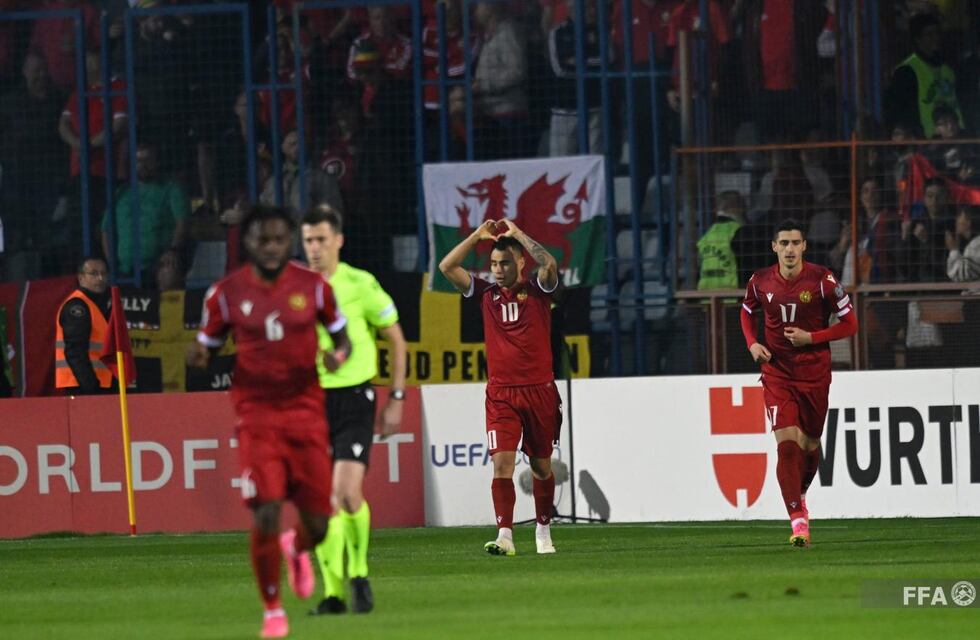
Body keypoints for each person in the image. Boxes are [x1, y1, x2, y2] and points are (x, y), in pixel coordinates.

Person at [186, 204, 351, 639]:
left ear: (289, 241)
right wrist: (198, 355)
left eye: (280, 239)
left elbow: (342, 337)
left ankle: (296, 547)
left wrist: (339, 355)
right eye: (263, 240)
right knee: (266, 510)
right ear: (248, 242)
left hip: (307, 414)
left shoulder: (314, 288)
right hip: (256, 415)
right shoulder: (225, 293)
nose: (272, 247)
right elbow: (206, 346)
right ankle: (273, 610)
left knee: (319, 524)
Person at [300, 205, 408, 615]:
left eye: (321, 240)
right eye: (308, 240)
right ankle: (332, 595)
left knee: (345, 494)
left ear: (339, 241)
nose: (314, 248)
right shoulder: (295, 289)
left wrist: (396, 398)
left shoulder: (360, 284)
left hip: (354, 400)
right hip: (310, 403)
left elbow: (396, 340)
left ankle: (359, 575)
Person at [439, 218, 562, 556]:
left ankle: (543, 530)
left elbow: (549, 264)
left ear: (521, 262)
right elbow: (446, 266)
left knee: (541, 467)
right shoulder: (484, 294)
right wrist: (476, 236)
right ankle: (505, 535)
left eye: (505, 263)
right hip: (501, 395)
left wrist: (518, 233)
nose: (498, 270)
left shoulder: (537, 290)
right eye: (493, 264)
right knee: (501, 464)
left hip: (539, 391)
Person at [740, 219, 858, 547]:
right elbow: (746, 311)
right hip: (777, 373)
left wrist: (812, 338)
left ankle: (800, 493)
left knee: (809, 445)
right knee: (787, 446)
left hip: (814, 374)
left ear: (804, 246)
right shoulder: (760, 281)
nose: (790, 249)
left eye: (795, 243)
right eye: (784, 243)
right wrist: (752, 343)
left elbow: (850, 324)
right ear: (774, 247)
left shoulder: (823, 280)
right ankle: (798, 520)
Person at [101, 143, 190, 284]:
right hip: (124, 267)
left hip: (159, 263)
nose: (142, 165)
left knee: (170, 274)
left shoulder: (171, 188)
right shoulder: (121, 193)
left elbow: (182, 223)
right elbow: (106, 230)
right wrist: (111, 263)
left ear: (156, 161)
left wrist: (173, 249)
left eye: (148, 160)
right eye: (138, 160)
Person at [55, 257, 113, 395]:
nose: (100, 278)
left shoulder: (100, 304)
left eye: (103, 273)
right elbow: (75, 351)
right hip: (82, 385)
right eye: (94, 273)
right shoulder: (77, 306)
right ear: (81, 278)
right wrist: (90, 386)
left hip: (99, 382)